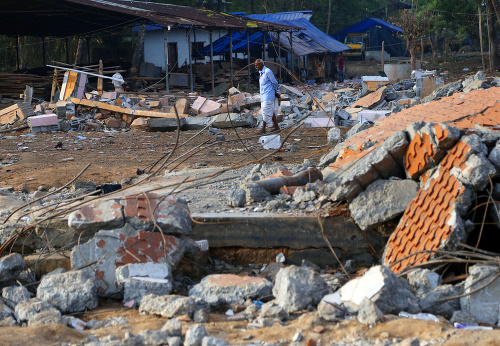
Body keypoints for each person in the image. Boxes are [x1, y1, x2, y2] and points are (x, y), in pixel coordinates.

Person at [254, 59, 280, 134]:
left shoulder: (268, 71)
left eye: (257, 65)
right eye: (255, 65)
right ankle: (276, 127)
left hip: (268, 96)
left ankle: (263, 129)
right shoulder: (261, 73)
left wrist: (276, 91)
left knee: (265, 111)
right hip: (263, 95)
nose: (256, 67)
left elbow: (274, 82)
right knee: (270, 111)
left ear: (262, 64)